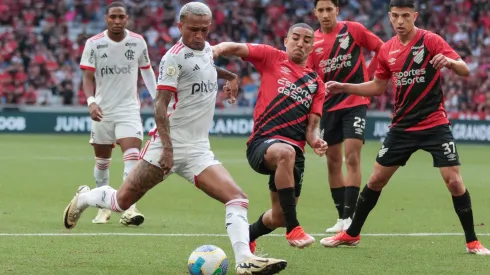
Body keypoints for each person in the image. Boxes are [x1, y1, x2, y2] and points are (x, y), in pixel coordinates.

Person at [65, 2, 288, 274]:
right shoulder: (173, 58)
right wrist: (168, 150)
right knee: (121, 202)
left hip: (198, 150)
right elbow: (159, 106)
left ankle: (245, 260)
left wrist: (230, 75)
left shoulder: (206, 49)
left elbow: (203, 66)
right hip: (166, 147)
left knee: (237, 198)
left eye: (204, 29)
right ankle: (85, 198)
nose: (198, 35)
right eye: (193, 29)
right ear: (180, 26)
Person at [320, 0, 490, 255]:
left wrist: (450, 62)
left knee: (454, 181)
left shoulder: (430, 40)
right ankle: (352, 234)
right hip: (402, 127)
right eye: (396, 16)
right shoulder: (387, 49)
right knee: (376, 179)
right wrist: (345, 87)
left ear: (415, 16)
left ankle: (472, 241)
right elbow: (378, 87)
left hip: (435, 124)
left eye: (405, 16)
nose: (400, 21)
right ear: (389, 17)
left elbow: (464, 69)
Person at [212, 23, 328, 252]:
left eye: (307, 40)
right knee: (286, 152)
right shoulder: (272, 57)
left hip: (294, 155)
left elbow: (312, 126)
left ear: (312, 47)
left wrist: (315, 140)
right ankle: (294, 228)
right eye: (295, 38)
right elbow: (237, 47)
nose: (300, 43)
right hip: (262, 143)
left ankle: (248, 235)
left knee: (278, 216)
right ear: (286, 41)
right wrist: (216, 49)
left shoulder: (317, 84)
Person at [307, 0, 384, 233]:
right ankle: (341, 217)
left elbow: (382, 48)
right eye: (321, 10)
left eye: (329, 9)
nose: (325, 14)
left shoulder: (353, 29)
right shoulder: (313, 42)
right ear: (315, 13)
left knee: (351, 157)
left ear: (337, 10)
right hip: (328, 107)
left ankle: (350, 217)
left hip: (355, 101)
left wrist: (371, 77)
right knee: (332, 162)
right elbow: (311, 77)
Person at [79, 1, 156, 226]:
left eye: (121, 17)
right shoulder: (93, 44)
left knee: (132, 156)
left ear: (127, 19)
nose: (117, 21)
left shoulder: (137, 41)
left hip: (128, 110)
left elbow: (147, 72)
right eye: (113, 16)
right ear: (106, 18)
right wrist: (91, 102)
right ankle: (103, 207)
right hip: (103, 110)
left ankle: (130, 207)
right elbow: (87, 78)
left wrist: (158, 99)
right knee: (103, 162)